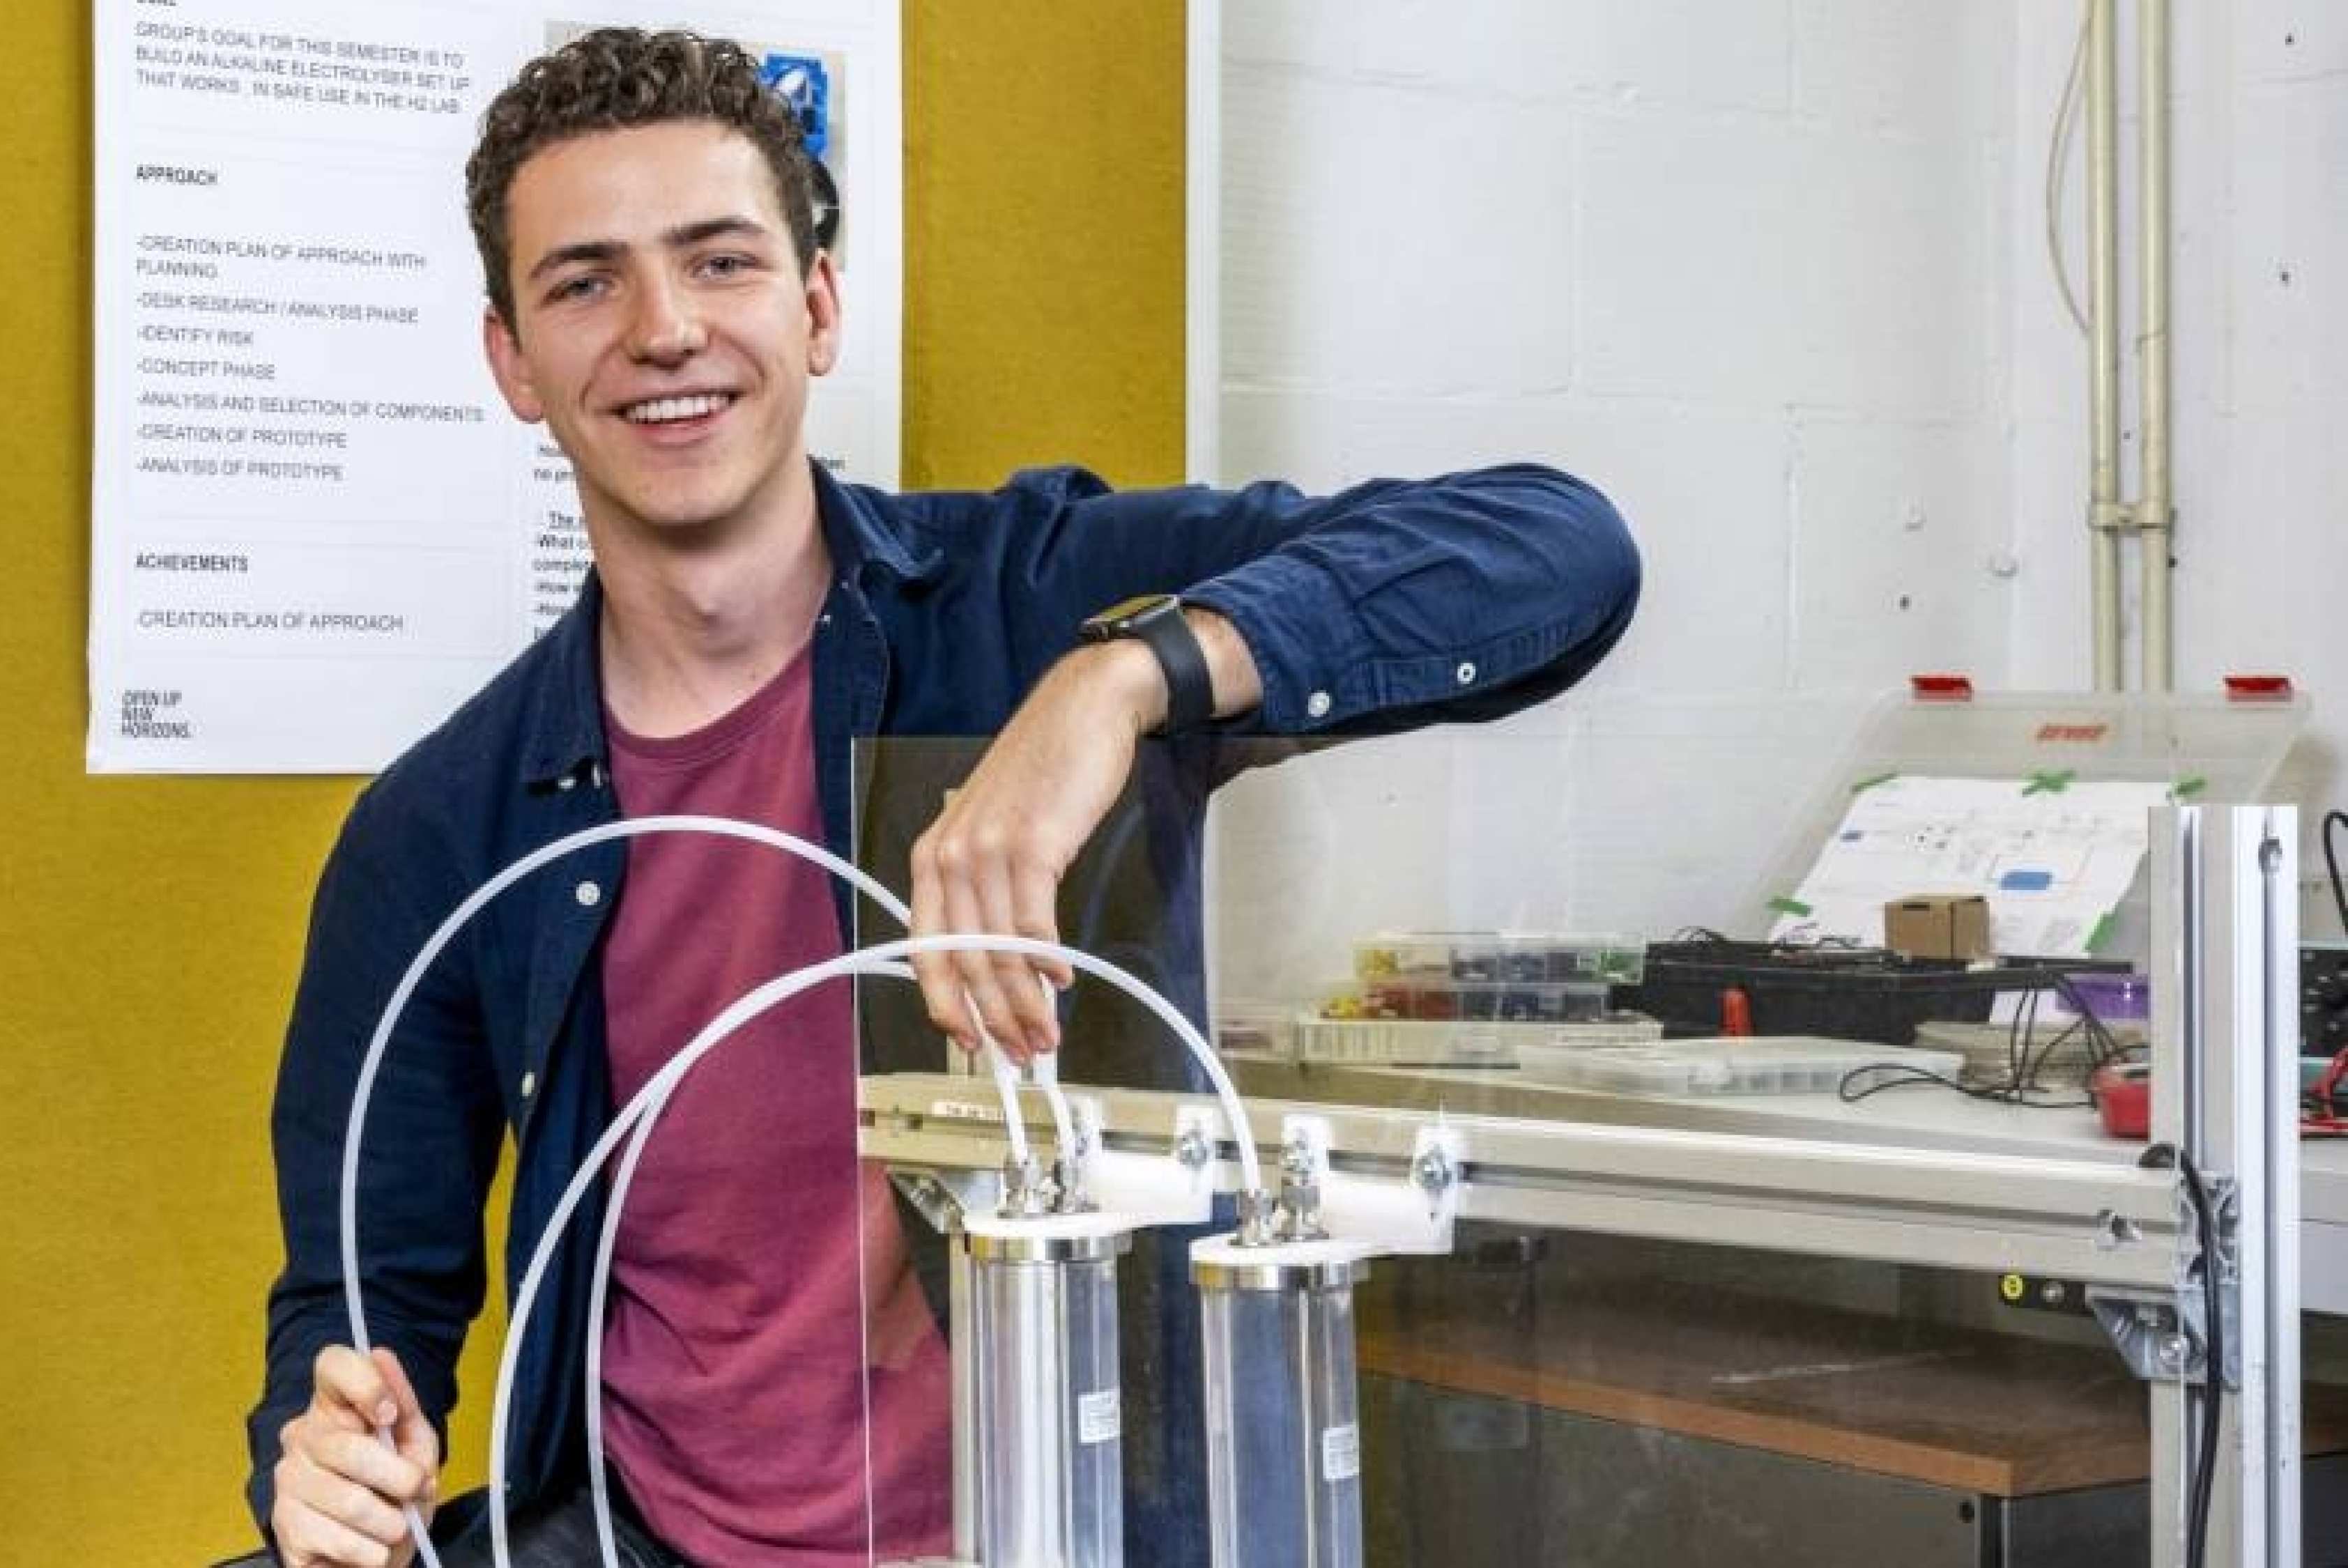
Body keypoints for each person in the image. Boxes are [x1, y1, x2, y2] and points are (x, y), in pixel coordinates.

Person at [249, 26, 1639, 1568]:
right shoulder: (442, 830)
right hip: (649, 1536)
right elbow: (354, 1303)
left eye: (719, 262)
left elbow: (1558, 553)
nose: (661, 331)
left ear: (818, 304)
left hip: (1071, 1526)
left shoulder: (1031, 600)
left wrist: (1114, 688)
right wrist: (316, 1462)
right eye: (584, 283)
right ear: (513, 360)